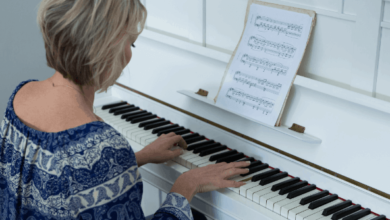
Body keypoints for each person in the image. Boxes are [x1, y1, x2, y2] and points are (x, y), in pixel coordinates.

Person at [0, 0, 250, 219]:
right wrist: (187, 184)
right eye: (131, 43)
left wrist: (135, 159)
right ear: (104, 48)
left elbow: (58, 183)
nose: (129, 55)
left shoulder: (21, 95)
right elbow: (88, 164)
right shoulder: (102, 148)